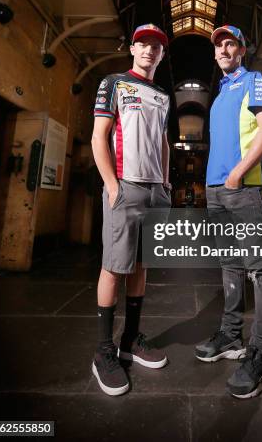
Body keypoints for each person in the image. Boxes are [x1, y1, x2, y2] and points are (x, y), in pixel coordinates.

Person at [195, 24, 262, 399]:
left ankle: (261, 354)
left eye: (231, 44)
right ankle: (231, 336)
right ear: (215, 54)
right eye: (220, 45)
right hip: (217, 193)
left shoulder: (253, 80)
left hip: (243, 190)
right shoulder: (219, 95)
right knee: (229, 264)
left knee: (259, 270)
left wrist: (236, 175)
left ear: (242, 50)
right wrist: (214, 184)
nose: (225, 50)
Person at [91, 23, 172, 396]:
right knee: (113, 266)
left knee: (141, 265)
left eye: (156, 46)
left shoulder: (162, 94)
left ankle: (130, 340)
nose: (149, 50)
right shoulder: (114, 83)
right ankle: (104, 352)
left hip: (156, 192)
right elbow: (99, 137)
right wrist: (111, 185)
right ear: (133, 49)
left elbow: (164, 142)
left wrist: (167, 184)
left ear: (161, 53)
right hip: (125, 187)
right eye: (143, 44)